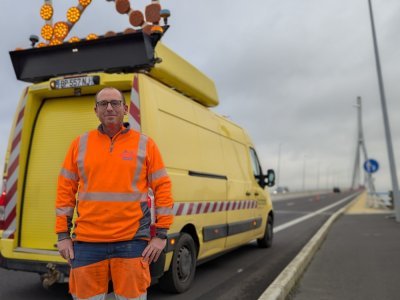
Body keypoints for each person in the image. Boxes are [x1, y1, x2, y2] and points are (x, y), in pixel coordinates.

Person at [55, 87, 174, 300]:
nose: (109, 107)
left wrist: (161, 235)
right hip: (86, 243)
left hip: (132, 241)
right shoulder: (79, 144)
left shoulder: (145, 144)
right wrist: (63, 236)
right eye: (103, 104)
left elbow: (163, 188)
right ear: (96, 110)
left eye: (115, 103)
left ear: (125, 109)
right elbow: (65, 191)